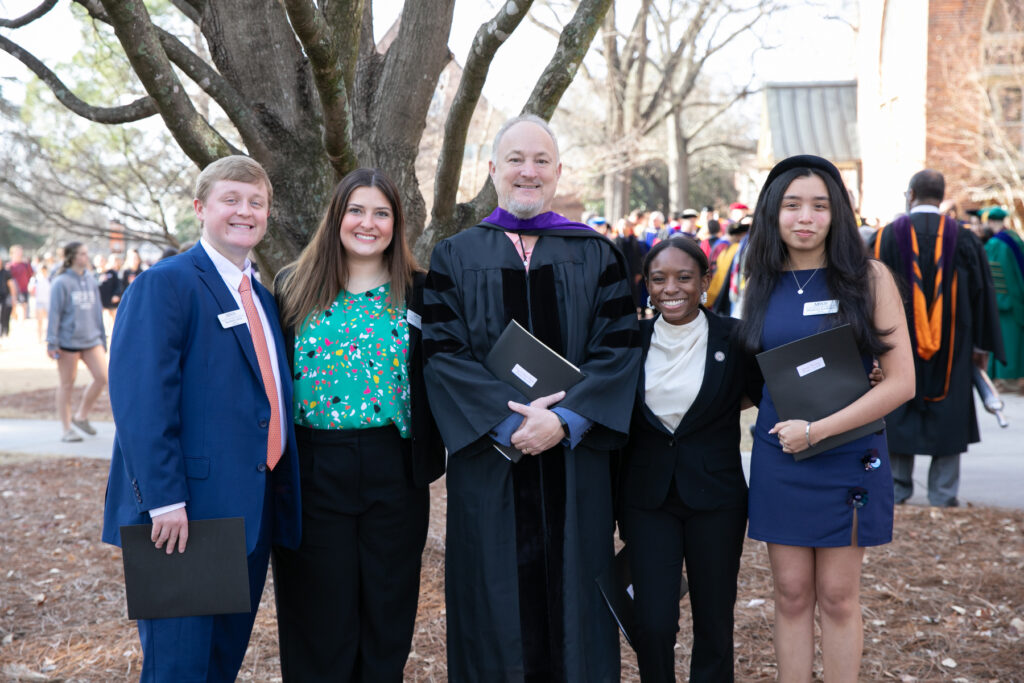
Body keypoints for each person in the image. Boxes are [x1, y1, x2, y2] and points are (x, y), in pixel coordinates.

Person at [422, 114, 641, 682]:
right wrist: (510, 424)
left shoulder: (597, 254)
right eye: (515, 159)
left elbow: (618, 349)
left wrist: (565, 421)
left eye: (541, 160)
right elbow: (443, 355)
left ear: (558, 171)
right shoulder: (455, 255)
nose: (528, 171)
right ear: (492, 170)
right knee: (491, 602)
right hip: (493, 462)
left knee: (578, 603)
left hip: (573, 459)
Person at [101, 155, 302, 682]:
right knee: (178, 670)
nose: (245, 212)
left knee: (219, 666)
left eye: (256, 202)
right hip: (183, 520)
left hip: (249, 520)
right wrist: (166, 501)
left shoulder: (261, 297)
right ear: (200, 208)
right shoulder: (165, 285)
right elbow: (142, 404)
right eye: (230, 200)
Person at [739, 154, 915, 681]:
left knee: (837, 597)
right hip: (780, 453)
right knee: (790, 594)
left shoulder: (869, 277)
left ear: (837, 213)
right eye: (792, 205)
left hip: (846, 454)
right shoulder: (761, 281)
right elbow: (753, 375)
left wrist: (818, 430)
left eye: (819, 205)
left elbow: (902, 381)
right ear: (773, 213)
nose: (805, 217)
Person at [270, 168, 445, 681]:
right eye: (357, 210)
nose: (368, 223)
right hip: (314, 467)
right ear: (336, 217)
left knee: (387, 614)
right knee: (317, 614)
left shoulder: (422, 291)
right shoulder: (292, 285)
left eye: (382, 213)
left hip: (394, 468)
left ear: (397, 223)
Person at [622, 237, 762, 682]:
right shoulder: (630, 339)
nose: (671, 288)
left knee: (715, 620)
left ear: (704, 281)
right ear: (647, 284)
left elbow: (771, 395)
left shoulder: (737, 337)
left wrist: (865, 375)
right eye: (659, 278)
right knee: (653, 622)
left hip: (717, 498)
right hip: (647, 499)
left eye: (684, 277)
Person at [871, 171, 1004, 507]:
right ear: (941, 196)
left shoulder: (885, 236)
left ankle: (898, 490)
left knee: (898, 407)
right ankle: (943, 495)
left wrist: (868, 346)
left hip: (895, 346)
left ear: (911, 193)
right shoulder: (965, 238)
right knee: (949, 412)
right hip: (954, 348)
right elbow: (981, 294)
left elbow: (866, 294)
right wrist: (981, 347)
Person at [45, 242, 108, 443]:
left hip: (91, 339)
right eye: (82, 254)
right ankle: (66, 429)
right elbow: (54, 314)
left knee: (103, 378)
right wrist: (52, 342)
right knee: (66, 385)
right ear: (72, 257)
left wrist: (102, 337)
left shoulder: (90, 279)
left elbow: (97, 310)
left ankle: (81, 416)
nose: (86, 257)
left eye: (86, 253)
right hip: (67, 342)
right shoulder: (61, 282)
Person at [982, 206, 1024, 393]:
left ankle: (1006, 380)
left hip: (1004, 302)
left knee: (1006, 340)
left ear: (992, 222)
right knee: (1017, 341)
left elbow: (993, 276)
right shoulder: (1015, 238)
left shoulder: (994, 245)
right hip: (1018, 298)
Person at [8, 244, 33, 321]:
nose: (19, 254)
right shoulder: (9, 266)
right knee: (13, 310)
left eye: (20, 252)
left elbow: (30, 275)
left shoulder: (26, 265)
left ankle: (22, 324)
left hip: (23, 290)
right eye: (17, 252)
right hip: (12, 292)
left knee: (23, 309)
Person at [97, 253, 124, 328]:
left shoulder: (111, 273)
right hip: (101, 303)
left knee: (114, 323)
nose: (101, 263)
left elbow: (118, 285)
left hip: (111, 302)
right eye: (99, 261)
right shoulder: (94, 274)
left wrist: (117, 294)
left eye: (102, 260)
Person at [31, 263, 52, 344]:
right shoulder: (35, 279)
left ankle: (47, 337)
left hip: (48, 302)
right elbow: (31, 290)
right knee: (39, 321)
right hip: (39, 302)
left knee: (48, 321)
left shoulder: (50, 279)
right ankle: (39, 338)